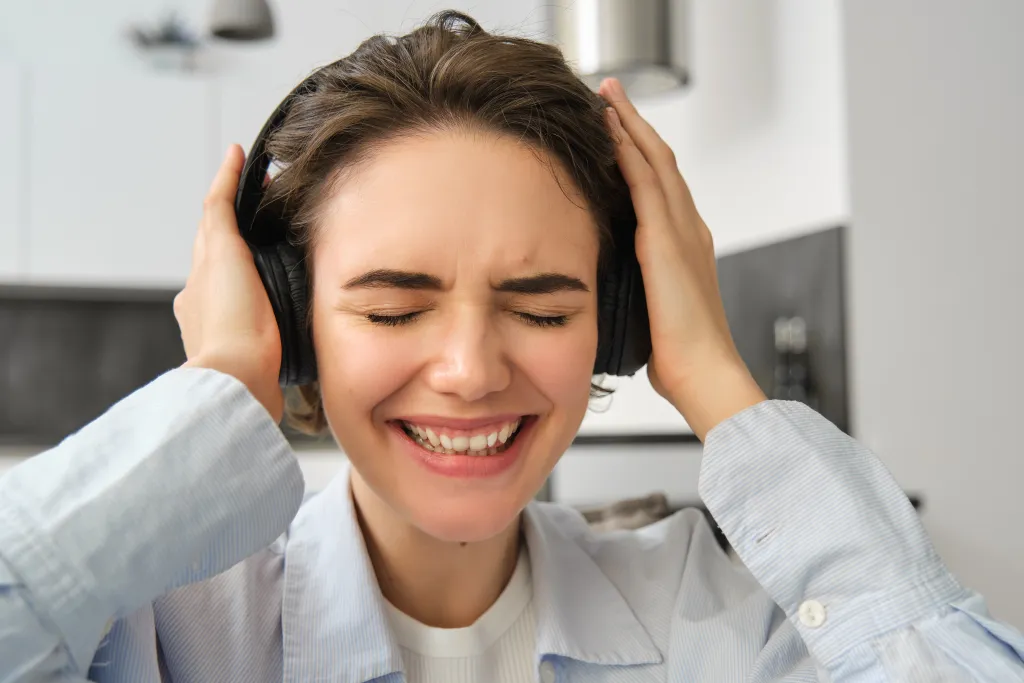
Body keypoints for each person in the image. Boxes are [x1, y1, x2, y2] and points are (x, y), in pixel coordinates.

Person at [1, 11, 1022, 683]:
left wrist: (717, 380)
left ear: (618, 320)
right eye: (393, 310)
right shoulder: (166, 630)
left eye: (541, 310)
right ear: (293, 324)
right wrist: (222, 381)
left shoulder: (703, 613)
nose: (471, 370)